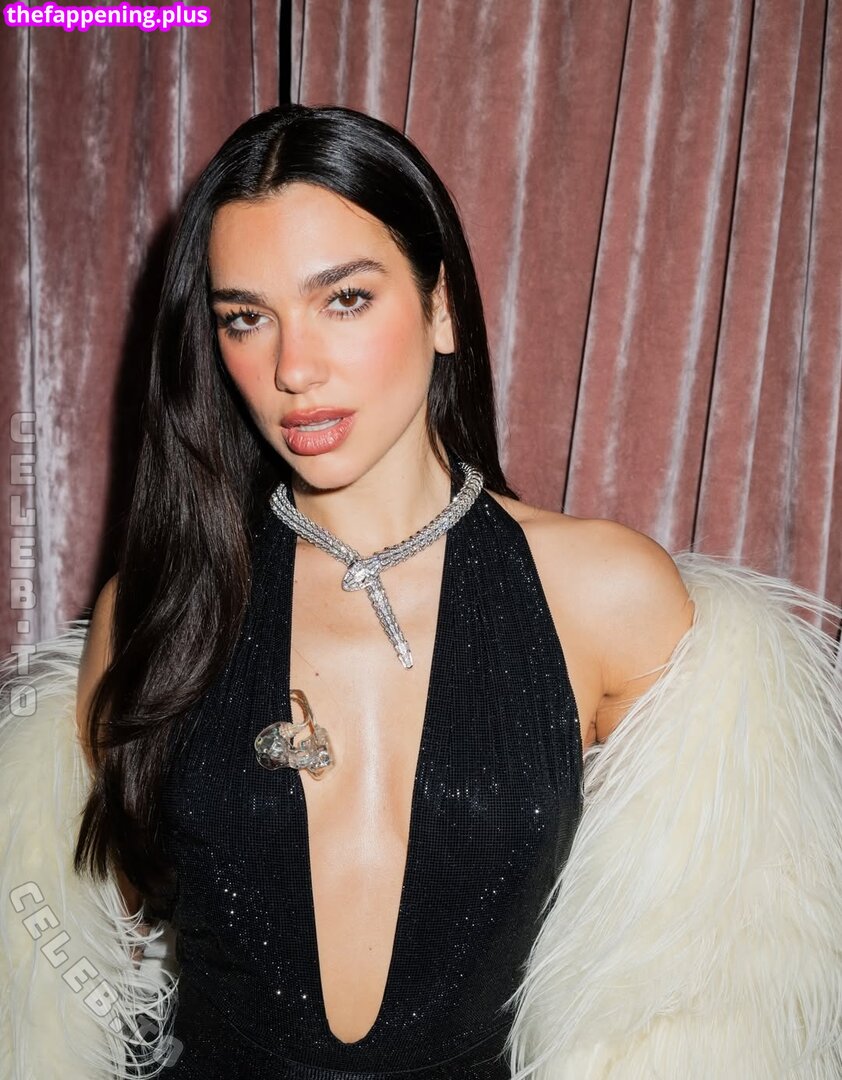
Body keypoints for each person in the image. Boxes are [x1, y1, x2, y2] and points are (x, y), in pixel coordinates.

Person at [0, 104, 840, 1080]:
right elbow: (82, 953)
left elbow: (703, 985)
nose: (294, 368)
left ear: (440, 307)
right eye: (246, 318)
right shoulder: (158, 612)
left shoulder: (604, 597)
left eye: (345, 299)